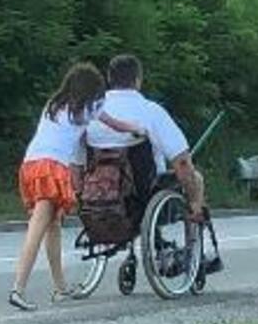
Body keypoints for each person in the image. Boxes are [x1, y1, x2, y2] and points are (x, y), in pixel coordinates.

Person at [9, 62, 141, 312]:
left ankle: (60, 287)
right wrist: (138, 129)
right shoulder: (90, 108)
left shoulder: (54, 104)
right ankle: (18, 288)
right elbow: (116, 124)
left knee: (53, 226)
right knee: (37, 228)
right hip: (52, 166)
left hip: (31, 164)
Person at [85, 54, 206, 221]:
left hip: (95, 194)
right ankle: (195, 219)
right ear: (137, 80)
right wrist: (193, 200)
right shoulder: (150, 111)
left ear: (109, 79)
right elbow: (182, 162)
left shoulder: (89, 112)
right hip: (143, 196)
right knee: (196, 178)